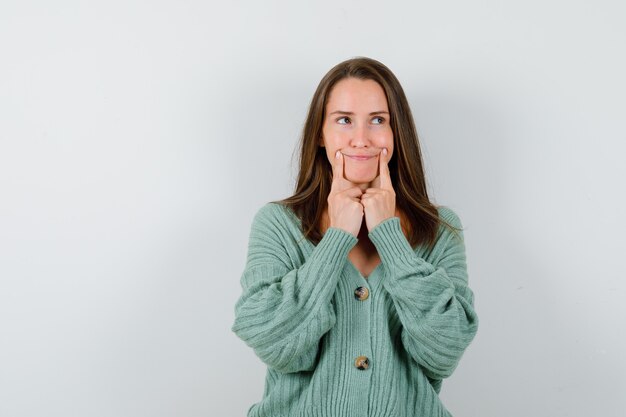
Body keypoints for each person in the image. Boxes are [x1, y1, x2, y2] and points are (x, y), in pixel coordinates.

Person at [231, 56, 479, 417]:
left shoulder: (439, 228)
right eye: (344, 120)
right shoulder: (278, 223)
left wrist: (390, 238)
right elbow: (274, 344)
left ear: (397, 133)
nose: (361, 139)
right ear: (321, 133)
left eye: (378, 120)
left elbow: (443, 352)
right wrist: (336, 240)